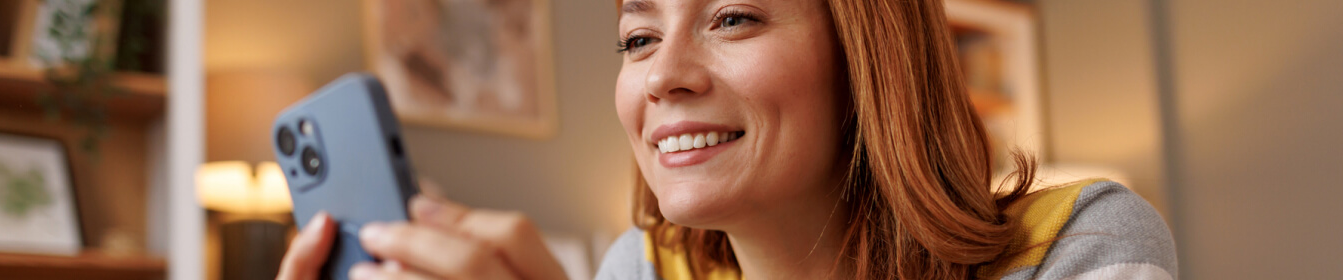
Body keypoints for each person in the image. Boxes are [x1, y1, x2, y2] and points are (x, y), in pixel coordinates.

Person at [277, 0, 1177, 279]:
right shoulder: (640, 268)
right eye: (636, 37)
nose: (663, 72)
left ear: (867, 56)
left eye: (734, 17)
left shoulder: (1080, 247)